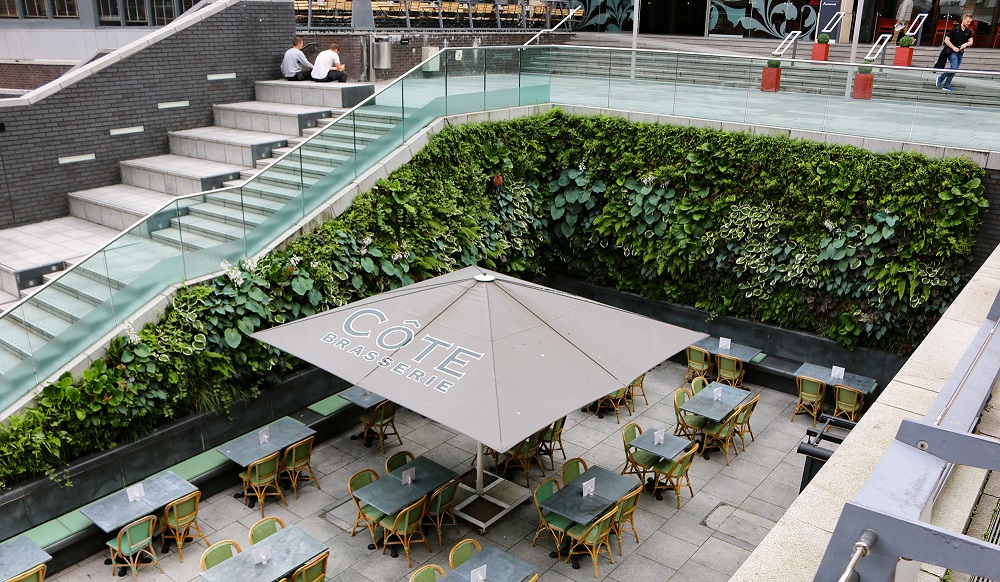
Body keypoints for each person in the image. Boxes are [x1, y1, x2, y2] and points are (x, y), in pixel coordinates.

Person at [935, 14, 974, 92]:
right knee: (954, 68)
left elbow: (971, 41)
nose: (968, 23)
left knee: (955, 69)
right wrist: (953, 48)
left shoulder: (968, 31)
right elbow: (946, 40)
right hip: (952, 51)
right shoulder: (955, 29)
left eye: (970, 22)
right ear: (963, 20)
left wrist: (965, 44)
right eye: (967, 21)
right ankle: (941, 78)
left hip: (960, 52)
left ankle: (946, 85)